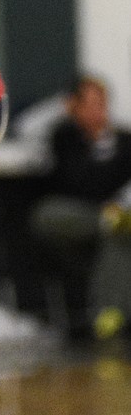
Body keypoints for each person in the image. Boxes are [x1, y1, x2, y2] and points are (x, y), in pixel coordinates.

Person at [30, 75, 131, 340]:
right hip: (75, 215)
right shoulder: (63, 137)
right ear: (72, 106)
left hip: (116, 218)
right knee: (49, 214)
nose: (99, 111)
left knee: (117, 236)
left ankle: (107, 317)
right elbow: (80, 182)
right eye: (91, 104)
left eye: (102, 103)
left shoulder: (123, 140)